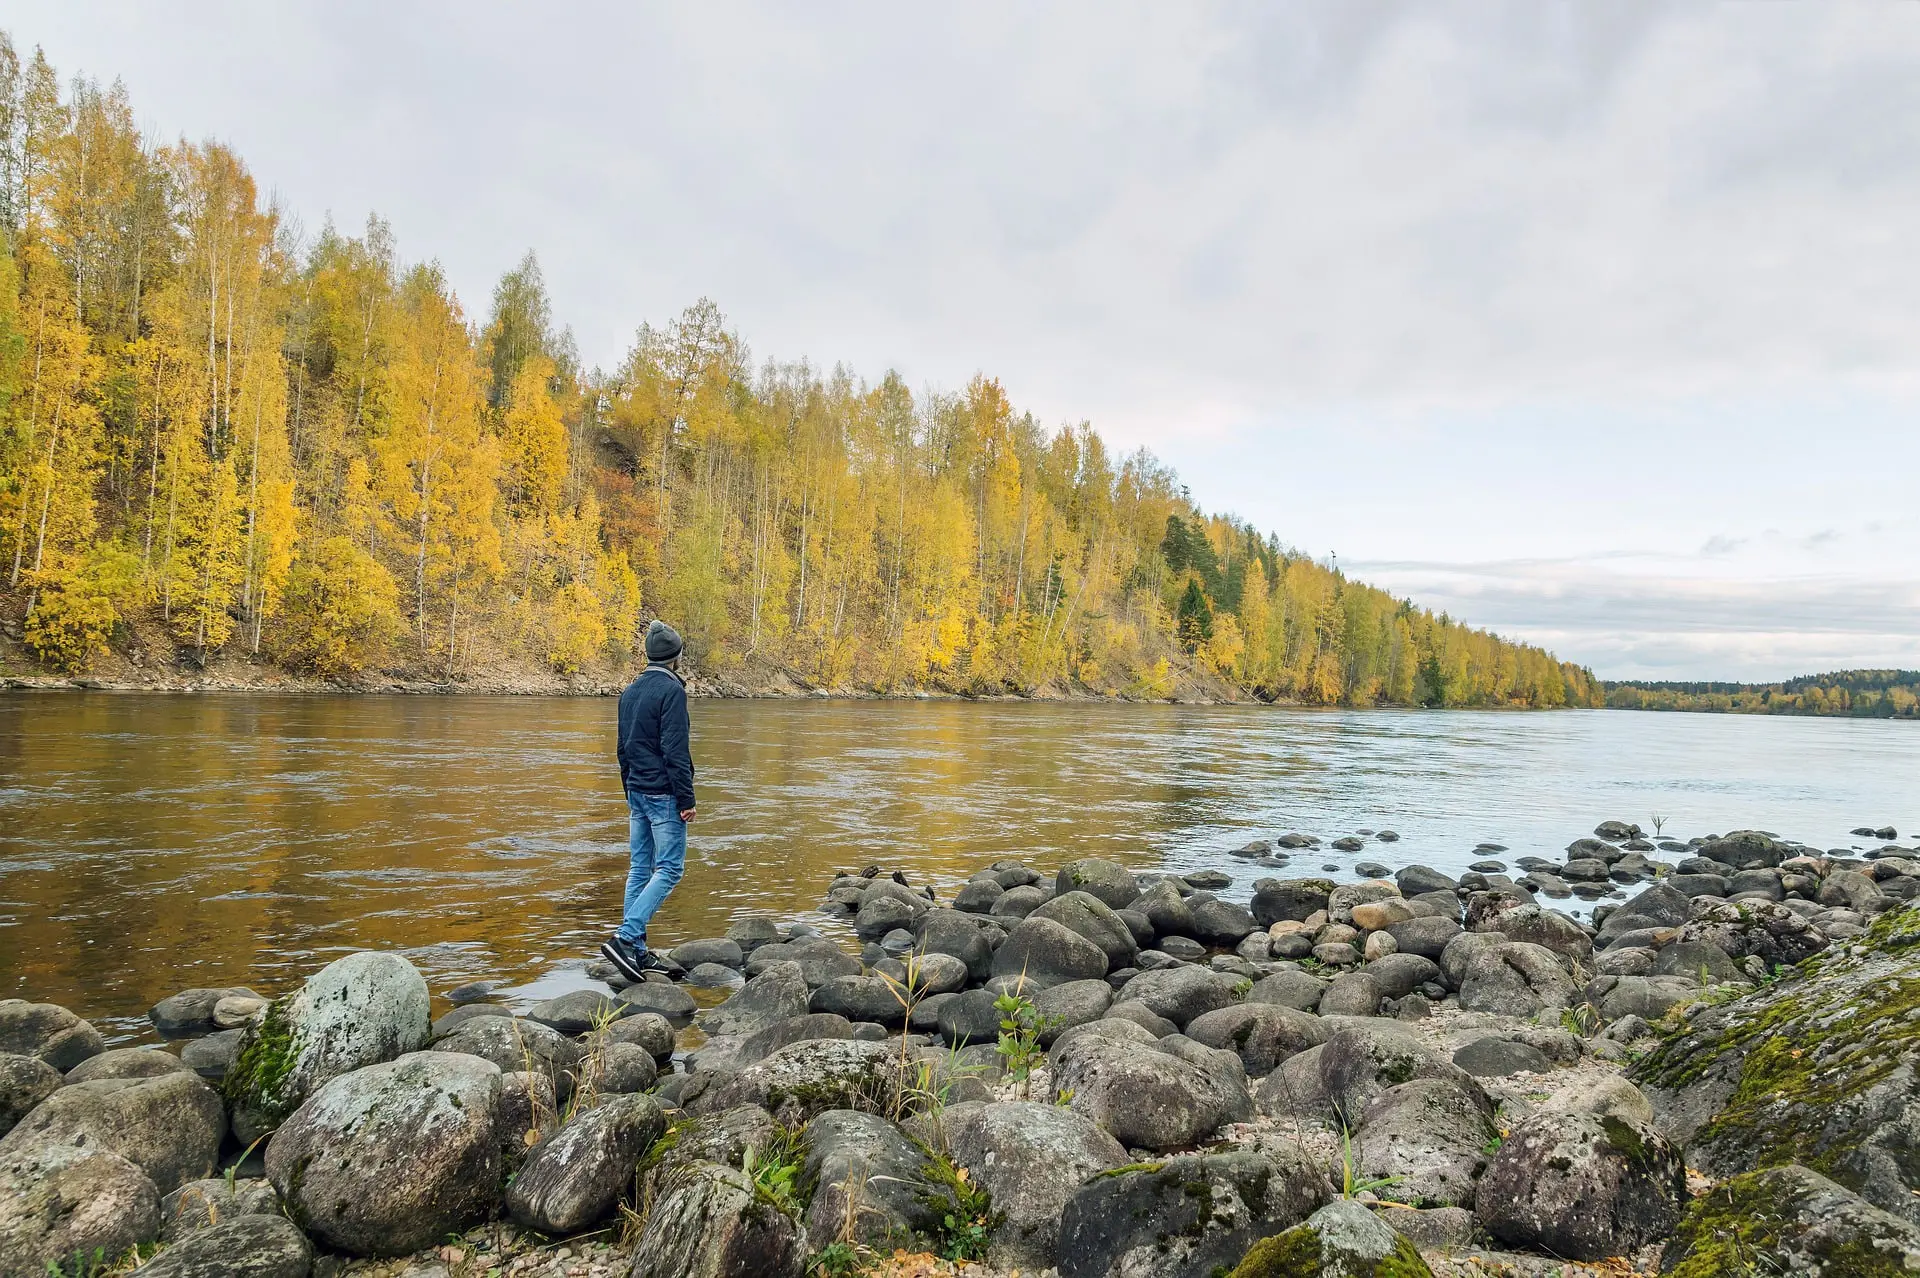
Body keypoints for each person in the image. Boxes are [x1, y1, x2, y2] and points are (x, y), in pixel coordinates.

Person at [601, 619, 696, 981]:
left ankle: (636, 951)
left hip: (638, 791)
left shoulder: (631, 690)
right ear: (677, 656)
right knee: (670, 869)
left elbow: (622, 748)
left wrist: (629, 790)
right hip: (662, 794)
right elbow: (675, 749)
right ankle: (626, 939)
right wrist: (686, 799)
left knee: (640, 869)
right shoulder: (672, 691)